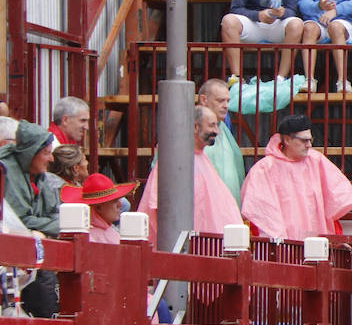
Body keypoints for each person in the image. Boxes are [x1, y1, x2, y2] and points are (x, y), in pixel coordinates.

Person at [240, 114, 352, 240]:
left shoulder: (317, 160)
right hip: (281, 244)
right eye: (304, 140)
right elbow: (261, 211)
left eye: (310, 140)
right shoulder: (264, 168)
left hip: (315, 239)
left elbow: (340, 197)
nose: (309, 145)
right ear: (287, 140)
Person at [137, 106, 244, 247]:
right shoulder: (175, 159)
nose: (216, 132)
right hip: (184, 248)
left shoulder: (202, 158)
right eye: (211, 125)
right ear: (195, 127)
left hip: (209, 247)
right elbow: (160, 206)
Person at [0, 123, 59, 316]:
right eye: (46, 152)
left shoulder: (39, 177)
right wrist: (58, 226)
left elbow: (52, 212)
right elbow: (20, 221)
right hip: (15, 251)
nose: (51, 158)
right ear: (30, 153)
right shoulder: (8, 173)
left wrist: (57, 225)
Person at [197, 78, 244, 202]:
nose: (226, 106)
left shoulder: (223, 129)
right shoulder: (187, 130)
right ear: (204, 100)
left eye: (228, 101)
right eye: (220, 101)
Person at [61, 173, 136, 245]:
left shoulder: (110, 230)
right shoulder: (89, 237)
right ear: (98, 208)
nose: (120, 205)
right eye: (115, 201)